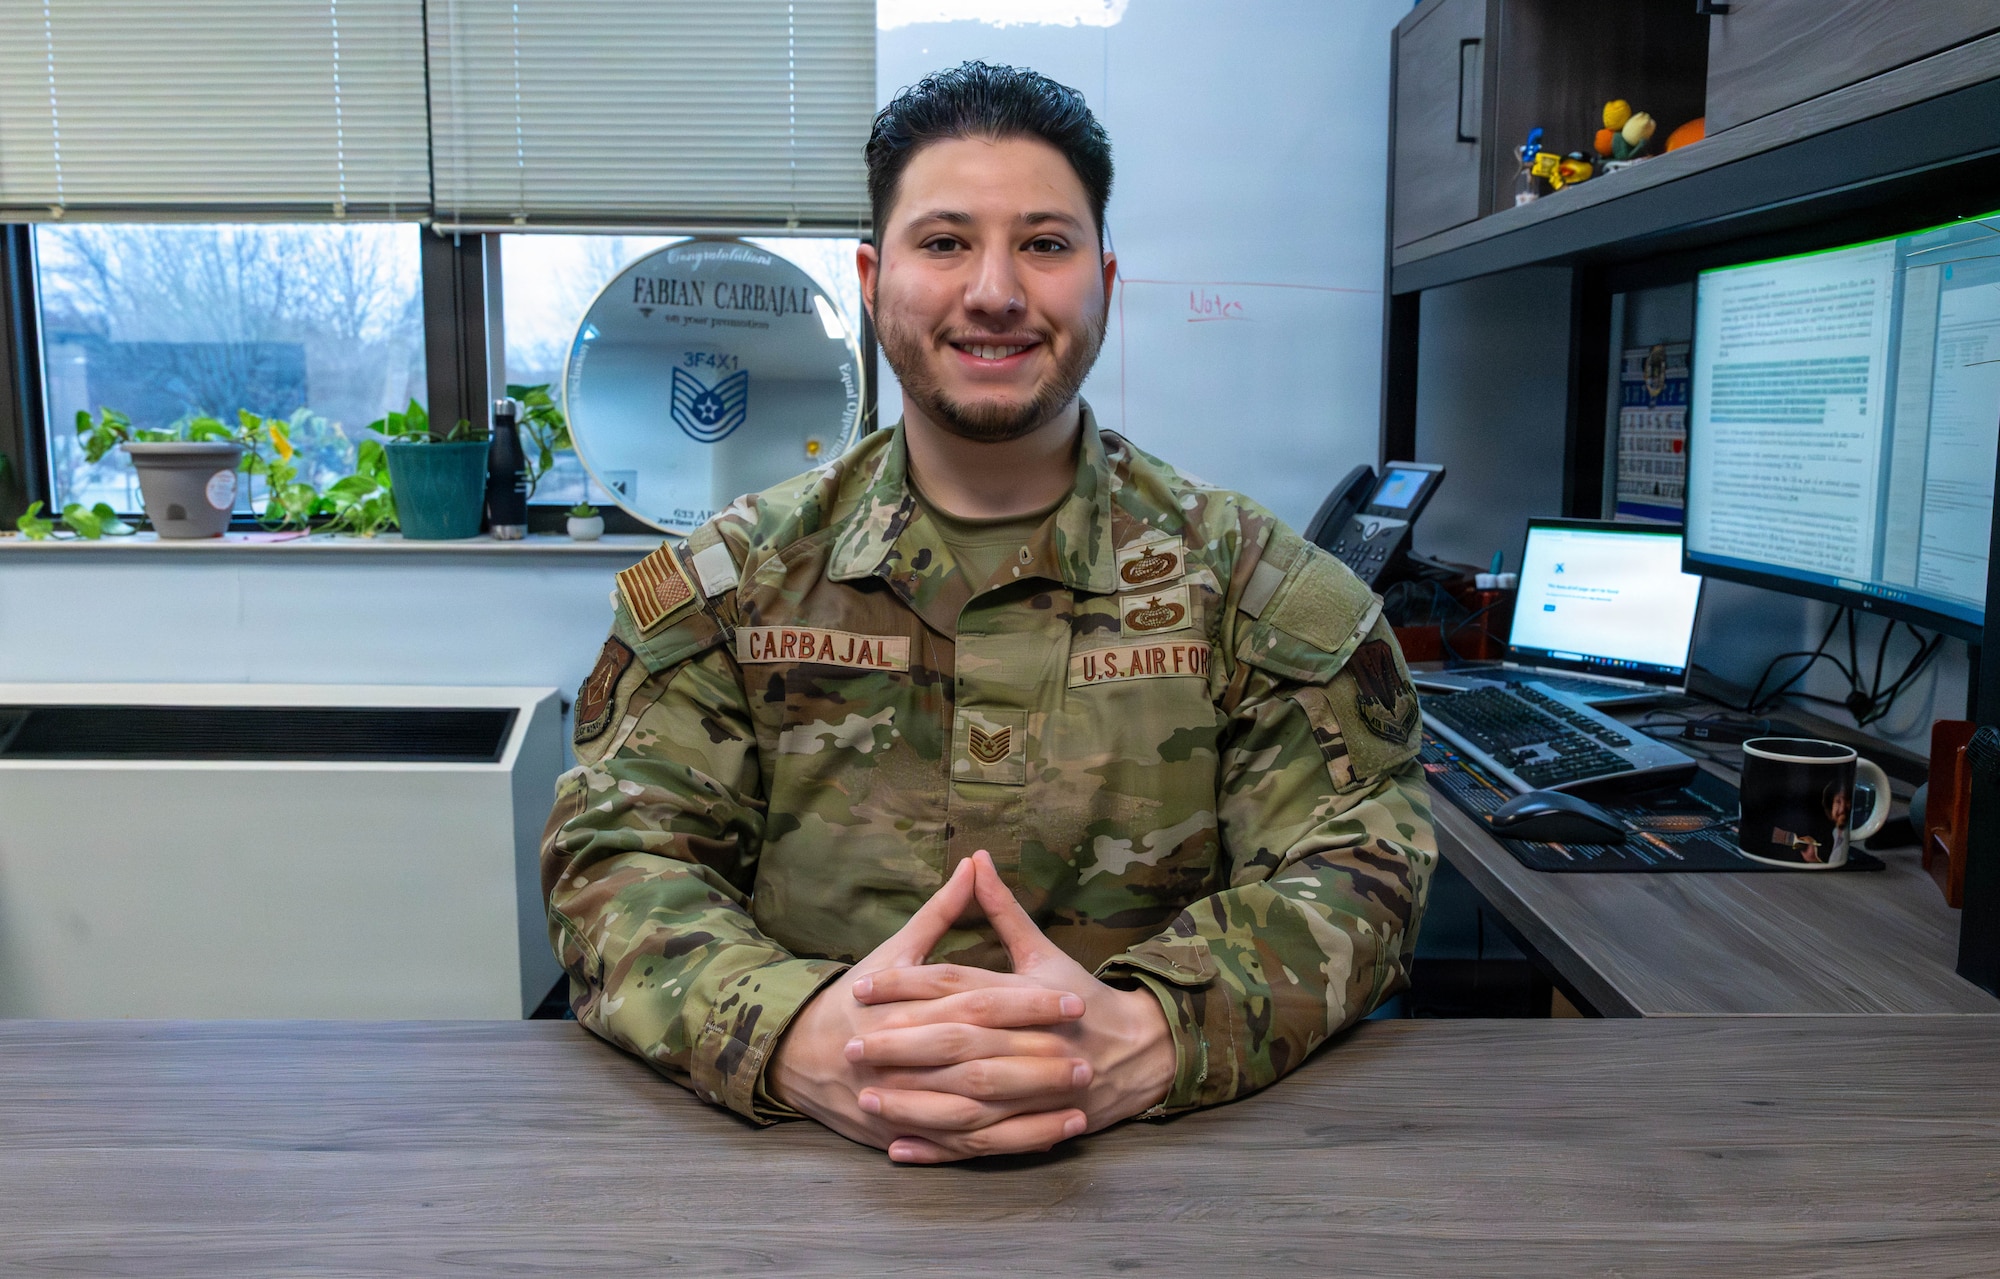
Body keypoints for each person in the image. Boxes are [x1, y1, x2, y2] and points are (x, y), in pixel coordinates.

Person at [541, 61, 1436, 1164]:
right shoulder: (736, 582)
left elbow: (1362, 858)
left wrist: (1155, 1031)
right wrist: (787, 1034)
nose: (996, 291)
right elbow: (612, 856)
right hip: (799, 1163)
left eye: (1045, 244)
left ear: (1104, 279)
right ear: (873, 279)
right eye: (945, 241)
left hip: (1165, 1165)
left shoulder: (1244, 582)